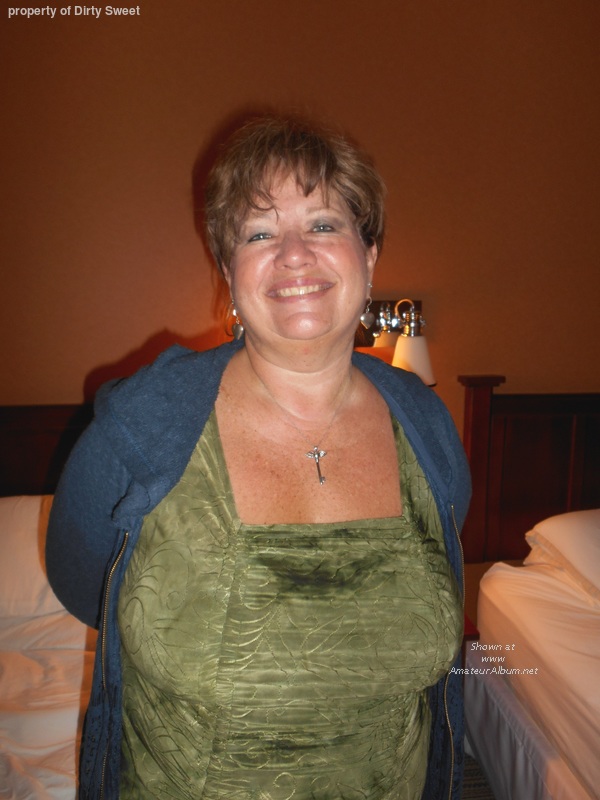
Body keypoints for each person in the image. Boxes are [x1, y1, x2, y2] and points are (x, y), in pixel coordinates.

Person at [46, 115, 471, 800]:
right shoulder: (141, 426)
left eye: (324, 224)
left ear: (369, 254)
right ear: (228, 271)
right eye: (260, 233)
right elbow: (83, 586)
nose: (295, 254)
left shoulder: (428, 429)